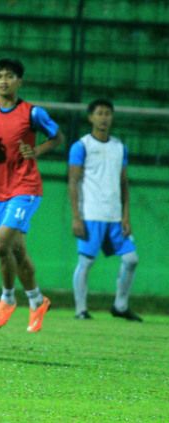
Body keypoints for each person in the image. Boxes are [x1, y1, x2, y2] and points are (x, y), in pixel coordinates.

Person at [0, 58, 63, 333]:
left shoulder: (32, 113)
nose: (4, 81)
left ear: (19, 81)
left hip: (26, 188)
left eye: (10, 76)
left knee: (0, 245)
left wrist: (37, 151)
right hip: (1, 191)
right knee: (18, 252)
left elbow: (58, 137)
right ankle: (36, 300)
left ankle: (7, 299)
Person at [68, 99, 141, 322]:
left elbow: (123, 184)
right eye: (99, 113)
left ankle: (120, 305)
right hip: (90, 214)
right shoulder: (81, 146)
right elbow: (73, 182)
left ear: (112, 117)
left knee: (131, 259)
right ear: (91, 117)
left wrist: (126, 216)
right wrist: (76, 217)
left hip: (115, 217)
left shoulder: (120, 147)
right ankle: (81, 310)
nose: (104, 117)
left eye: (108, 113)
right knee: (86, 262)